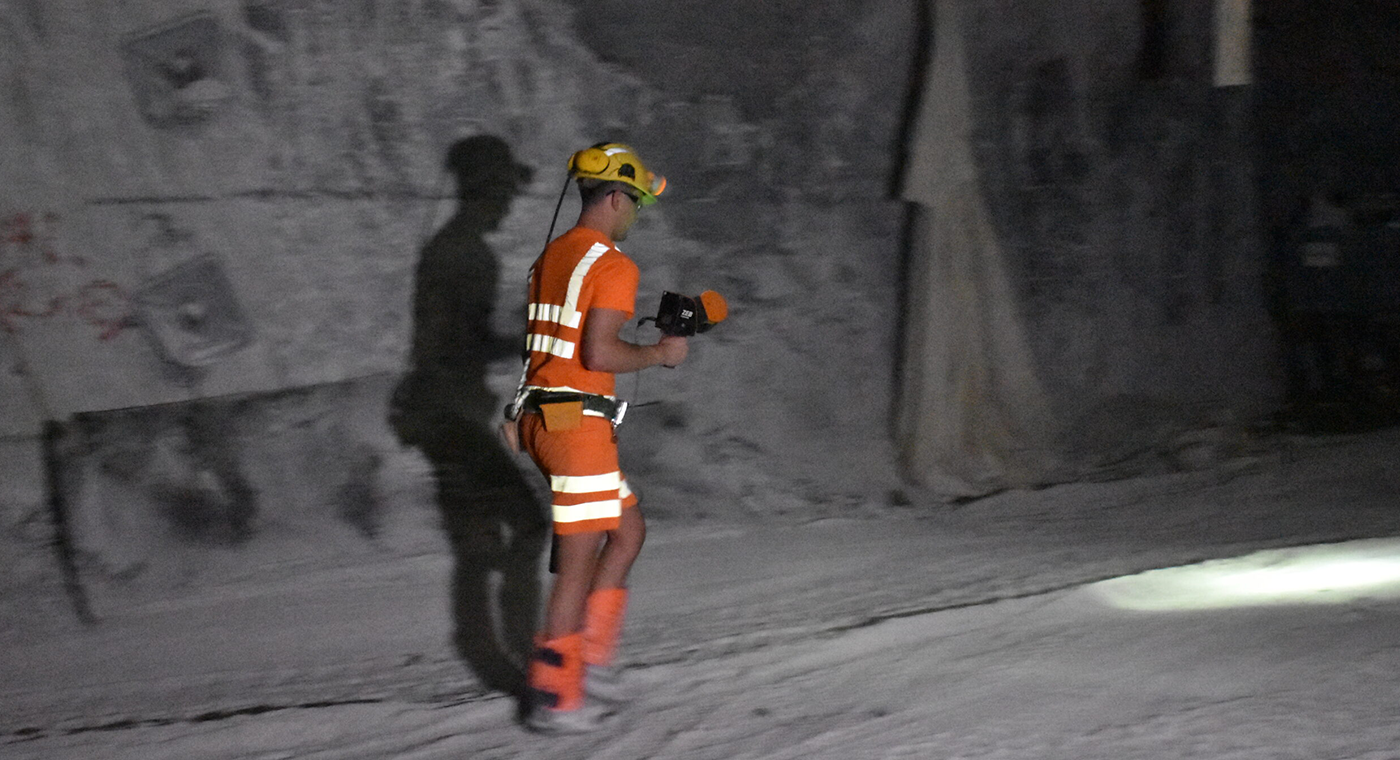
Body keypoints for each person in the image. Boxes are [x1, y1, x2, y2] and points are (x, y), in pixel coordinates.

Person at [502, 142, 687, 733]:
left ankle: (595, 662)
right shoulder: (613, 264)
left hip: (541, 418)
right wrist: (659, 353)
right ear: (613, 197)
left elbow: (548, 344)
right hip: (572, 425)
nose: (636, 213)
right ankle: (558, 696)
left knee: (628, 531)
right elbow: (599, 351)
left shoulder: (550, 256)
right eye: (635, 201)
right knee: (577, 563)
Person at [390, 135, 548, 697]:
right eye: (505, 190)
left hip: (439, 416)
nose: (509, 203)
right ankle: (519, 655)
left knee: (479, 544)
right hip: (450, 416)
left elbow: (444, 344)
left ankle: (501, 654)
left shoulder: (447, 247)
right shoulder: (469, 255)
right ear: (486, 190)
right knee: (526, 525)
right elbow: (458, 348)